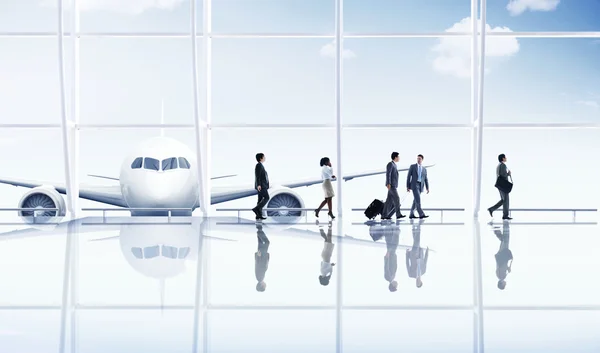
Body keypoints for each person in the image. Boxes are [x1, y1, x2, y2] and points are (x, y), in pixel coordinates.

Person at [487, 153, 512, 220]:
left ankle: (491, 209)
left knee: (503, 200)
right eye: (505, 157)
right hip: (503, 185)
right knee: (506, 200)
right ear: (503, 158)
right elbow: (503, 175)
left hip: (499, 185)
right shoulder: (503, 165)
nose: (506, 158)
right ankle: (505, 216)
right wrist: (508, 174)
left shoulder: (498, 165)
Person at [382, 152, 406, 221]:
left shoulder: (394, 165)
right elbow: (388, 174)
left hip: (393, 185)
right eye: (398, 157)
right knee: (397, 198)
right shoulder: (390, 164)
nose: (399, 158)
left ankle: (384, 215)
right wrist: (388, 183)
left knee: (388, 201)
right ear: (395, 157)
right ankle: (398, 214)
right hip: (391, 185)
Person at [406, 219, 428, 288]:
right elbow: (425, 260)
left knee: (417, 240)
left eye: (416, 283)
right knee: (416, 240)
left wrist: (407, 254)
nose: (417, 282)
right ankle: (413, 227)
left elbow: (407, 264)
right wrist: (427, 251)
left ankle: (419, 225)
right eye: (419, 283)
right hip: (420, 253)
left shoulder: (411, 275)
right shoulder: (423, 271)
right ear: (421, 281)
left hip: (413, 255)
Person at [406, 154, 429, 219]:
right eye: (417, 158)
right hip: (414, 185)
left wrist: (427, 188)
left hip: (420, 186)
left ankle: (411, 214)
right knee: (418, 200)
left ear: (422, 160)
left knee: (415, 201)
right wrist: (407, 186)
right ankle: (421, 214)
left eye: (420, 159)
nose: (418, 160)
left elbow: (426, 179)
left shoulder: (424, 169)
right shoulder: (412, 166)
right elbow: (408, 177)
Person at [252, 153, 270, 220]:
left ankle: (258, 215)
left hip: (262, 185)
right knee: (267, 197)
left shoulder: (260, 165)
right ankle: (257, 209)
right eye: (264, 157)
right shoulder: (259, 165)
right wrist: (259, 185)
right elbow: (258, 176)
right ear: (261, 158)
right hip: (262, 186)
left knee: (259, 200)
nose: (265, 158)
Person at [383, 224, 400, 292]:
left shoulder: (388, 278)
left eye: (396, 286)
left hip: (390, 256)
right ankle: (389, 227)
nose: (397, 284)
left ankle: (394, 227)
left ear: (393, 286)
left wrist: (387, 257)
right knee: (389, 242)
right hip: (392, 255)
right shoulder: (392, 277)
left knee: (394, 242)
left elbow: (386, 268)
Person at [255, 224, 270, 292]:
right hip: (261, 256)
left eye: (264, 287)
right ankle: (259, 229)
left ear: (261, 286)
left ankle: (259, 229)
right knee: (261, 243)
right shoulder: (259, 278)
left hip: (262, 256)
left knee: (266, 242)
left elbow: (259, 266)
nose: (265, 286)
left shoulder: (260, 278)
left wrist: (259, 256)